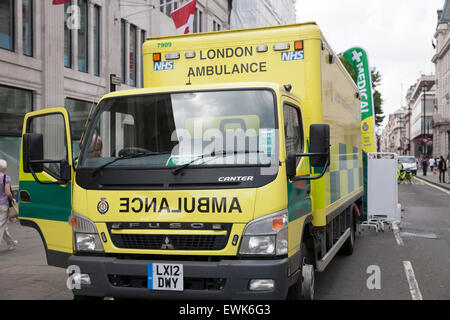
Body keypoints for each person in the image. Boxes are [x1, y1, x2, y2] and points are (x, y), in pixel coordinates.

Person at [0, 159, 18, 251]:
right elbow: (8, 192)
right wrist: (12, 199)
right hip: (3, 205)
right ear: (5, 168)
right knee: (1, 225)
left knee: (3, 226)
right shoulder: (5, 178)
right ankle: (11, 243)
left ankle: (11, 243)